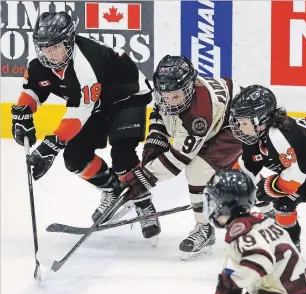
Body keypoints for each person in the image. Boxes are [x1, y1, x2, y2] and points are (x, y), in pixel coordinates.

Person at [11, 11, 160, 240]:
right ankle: (113, 189)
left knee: (122, 155)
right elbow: (33, 90)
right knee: (75, 157)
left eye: (56, 46)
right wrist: (22, 114)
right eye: (44, 46)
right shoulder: (40, 65)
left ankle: (143, 202)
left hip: (128, 96)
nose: (50, 52)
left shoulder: (86, 63)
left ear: (69, 40)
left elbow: (79, 113)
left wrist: (50, 145)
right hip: (96, 105)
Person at [116, 55, 243, 259]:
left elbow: (178, 159)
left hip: (235, 123)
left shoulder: (198, 113)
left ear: (190, 87)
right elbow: (161, 120)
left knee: (197, 169)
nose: (170, 101)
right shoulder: (169, 93)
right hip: (218, 117)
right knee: (158, 162)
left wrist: (144, 177)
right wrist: (152, 151)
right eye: (165, 95)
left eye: (175, 96)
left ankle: (205, 228)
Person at [203, 169, 306, 294]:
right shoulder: (263, 221)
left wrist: (231, 284)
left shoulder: (242, 231)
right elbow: (264, 278)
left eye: (214, 200)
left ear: (225, 205)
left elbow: (261, 259)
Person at [228, 85, 306, 249]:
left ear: (260, 120)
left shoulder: (279, 136)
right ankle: (291, 249)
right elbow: (246, 167)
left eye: (243, 122)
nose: (239, 127)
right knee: (283, 204)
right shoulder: (254, 137)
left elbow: (294, 179)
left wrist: (266, 187)